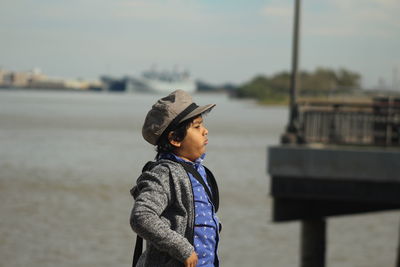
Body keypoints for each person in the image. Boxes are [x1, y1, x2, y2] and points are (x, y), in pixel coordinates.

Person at [130, 90, 221, 267]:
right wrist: (182, 248)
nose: (205, 131)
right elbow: (141, 216)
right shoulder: (164, 173)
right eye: (197, 127)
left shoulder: (199, 171)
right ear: (175, 139)